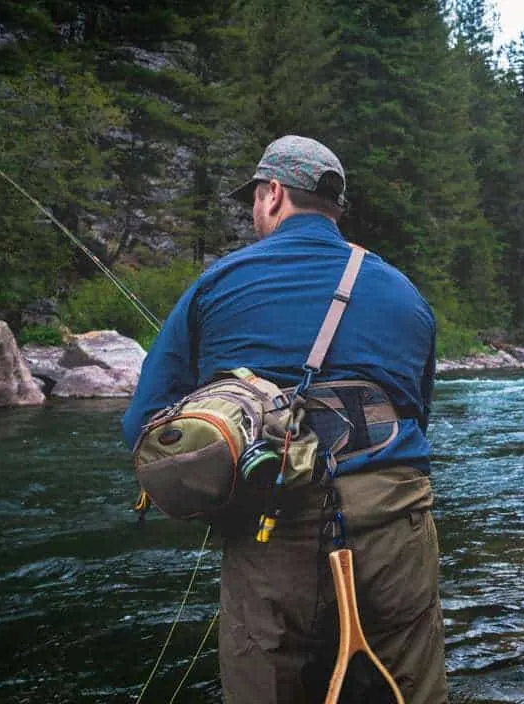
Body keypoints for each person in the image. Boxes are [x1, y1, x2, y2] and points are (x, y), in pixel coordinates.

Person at [122, 135, 448, 703]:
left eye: (253, 198)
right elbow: (418, 413)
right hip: (394, 526)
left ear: (273, 194)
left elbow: (144, 427)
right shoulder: (404, 293)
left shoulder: (217, 284)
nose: (254, 211)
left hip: (268, 527)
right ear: (335, 207)